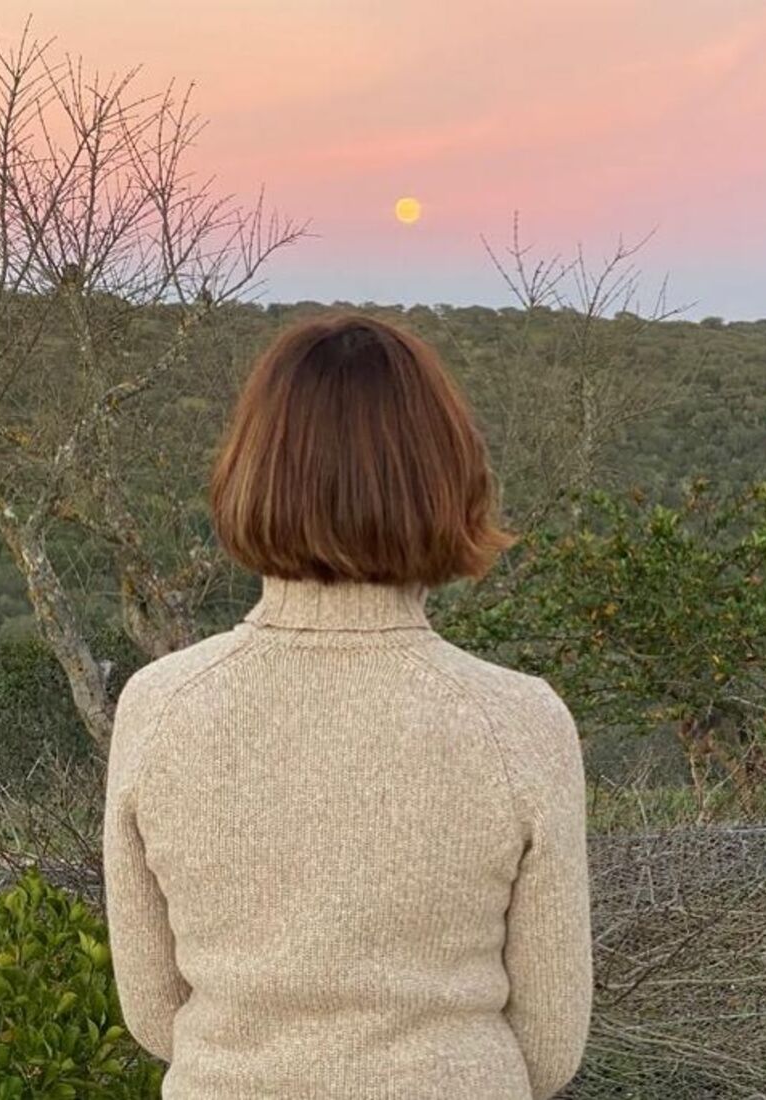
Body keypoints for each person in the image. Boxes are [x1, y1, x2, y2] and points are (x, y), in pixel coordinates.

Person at [102, 312, 594, 1099]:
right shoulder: (518, 720)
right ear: (448, 480)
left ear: (251, 473)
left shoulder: (160, 706)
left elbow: (155, 1012)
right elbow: (549, 1040)